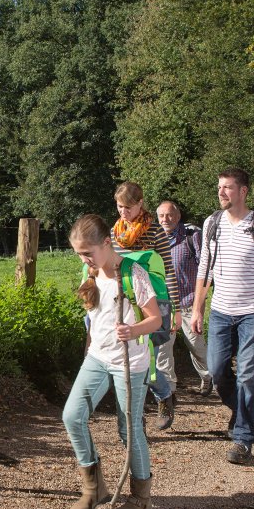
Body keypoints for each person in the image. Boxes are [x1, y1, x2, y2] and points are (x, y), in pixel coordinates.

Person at [63, 214, 163, 509]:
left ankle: (142, 499)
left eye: (88, 252)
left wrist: (133, 331)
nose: (84, 258)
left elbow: (155, 320)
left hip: (129, 363)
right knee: (72, 416)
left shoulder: (134, 274)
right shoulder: (89, 272)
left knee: (128, 429)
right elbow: (94, 318)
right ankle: (94, 489)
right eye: (79, 253)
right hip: (97, 358)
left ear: (107, 243)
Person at [189, 168, 254, 465]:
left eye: (227, 187)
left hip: (252, 315)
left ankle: (243, 438)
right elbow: (205, 267)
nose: (221, 192)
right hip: (220, 311)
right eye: (219, 187)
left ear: (243, 191)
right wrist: (198, 308)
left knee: (247, 374)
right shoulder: (212, 223)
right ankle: (240, 411)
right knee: (216, 371)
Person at [110, 181, 180, 429]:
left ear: (140, 203)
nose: (123, 212)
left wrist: (176, 310)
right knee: (124, 358)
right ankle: (135, 418)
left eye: (128, 207)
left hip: (150, 302)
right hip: (122, 303)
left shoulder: (154, 231)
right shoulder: (114, 232)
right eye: (120, 207)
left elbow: (169, 272)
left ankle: (163, 396)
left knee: (145, 359)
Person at [154, 200, 213, 397]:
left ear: (178, 217)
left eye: (169, 215)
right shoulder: (154, 239)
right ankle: (168, 390)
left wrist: (200, 303)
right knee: (163, 348)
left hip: (188, 302)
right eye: (161, 216)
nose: (165, 219)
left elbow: (205, 270)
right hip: (163, 304)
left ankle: (208, 376)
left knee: (195, 344)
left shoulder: (191, 236)